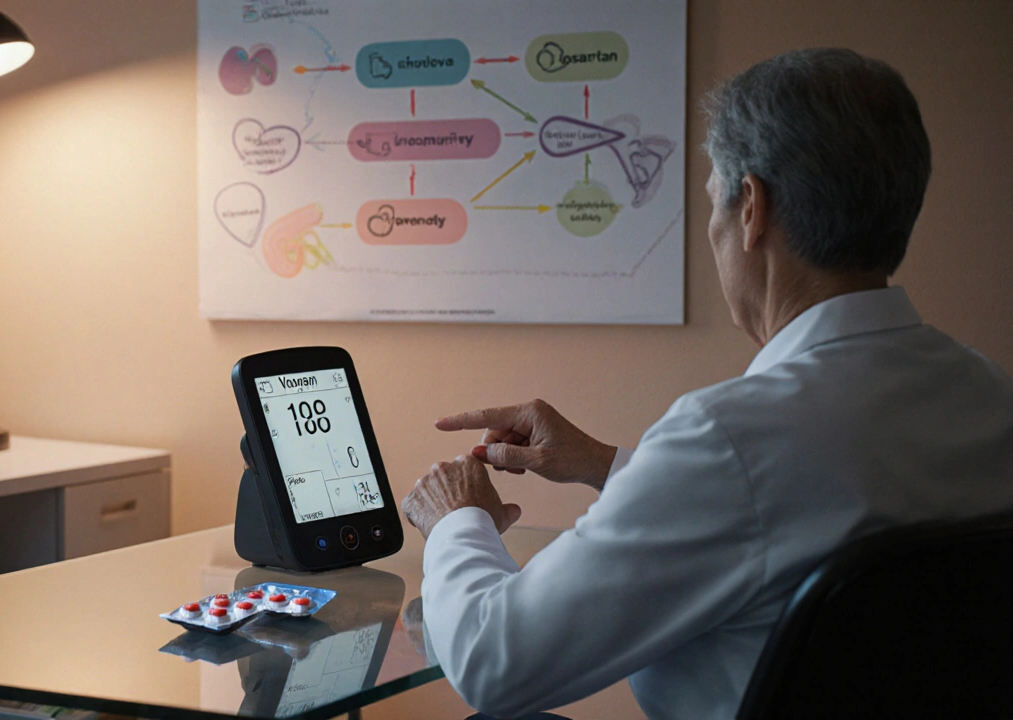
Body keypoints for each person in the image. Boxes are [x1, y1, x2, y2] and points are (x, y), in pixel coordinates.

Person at [400, 48, 1013, 720]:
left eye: (713, 200)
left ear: (751, 208)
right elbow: (795, 505)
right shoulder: (988, 396)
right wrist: (610, 466)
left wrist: (458, 517)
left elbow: (494, 661)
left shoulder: (731, 439)